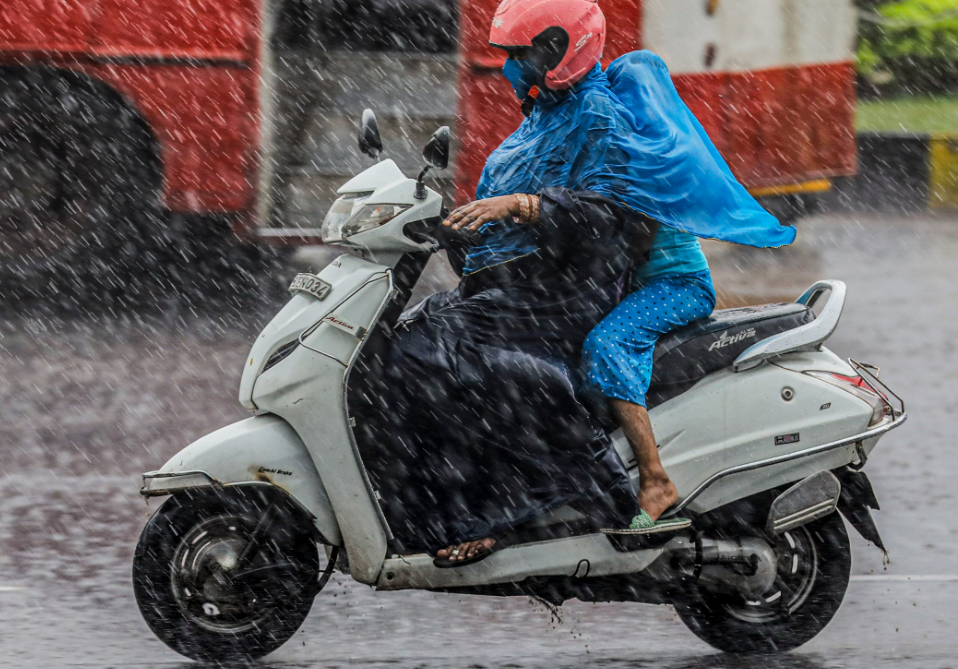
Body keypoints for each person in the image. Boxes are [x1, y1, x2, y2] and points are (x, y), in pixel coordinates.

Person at [360, 0, 795, 566]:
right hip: (527, 289)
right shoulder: (542, 117)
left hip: (567, 295)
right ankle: (443, 502)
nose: (512, 67)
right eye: (510, 54)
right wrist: (450, 227)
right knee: (403, 348)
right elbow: (513, 217)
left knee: (450, 354)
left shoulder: (599, 118)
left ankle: (594, 492)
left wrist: (521, 206)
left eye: (523, 53)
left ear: (561, 49)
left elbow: (610, 219)